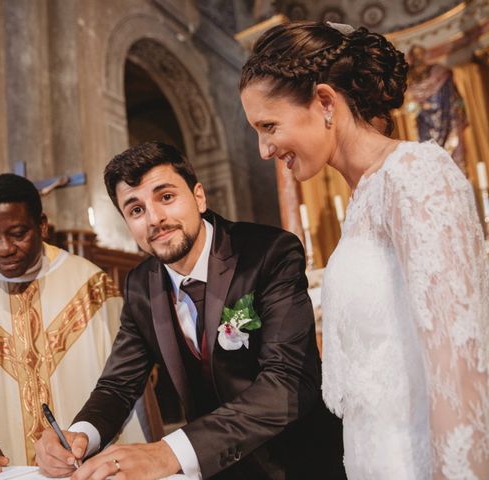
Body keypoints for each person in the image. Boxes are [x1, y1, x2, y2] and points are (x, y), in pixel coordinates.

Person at [239, 21, 489, 479]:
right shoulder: (364, 200)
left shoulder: (414, 176)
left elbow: (462, 369)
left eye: (268, 126)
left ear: (325, 102)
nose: (263, 149)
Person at [35, 142, 345, 480]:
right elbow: (118, 385)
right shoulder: (141, 284)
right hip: (216, 471)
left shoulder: (268, 253)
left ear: (198, 196)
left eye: (166, 197)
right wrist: (81, 435)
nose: (155, 219)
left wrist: (168, 452)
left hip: (299, 464)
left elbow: (287, 382)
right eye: (136, 210)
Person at [0, 173, 146, 477]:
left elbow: (126, 377)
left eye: (18, 233)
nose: (4, 248)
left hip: (85, 466)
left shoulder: (91, 288)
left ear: (42, 225)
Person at [404, 44, 467, 173]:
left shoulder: (439, 71)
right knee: (428, 156)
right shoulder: (408, 78)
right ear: (410, 57)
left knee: (452, 150)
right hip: (424, 121)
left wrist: (460, 110)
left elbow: (454, 98)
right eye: (414, 55)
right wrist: (419, 106)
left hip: (445, 117)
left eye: (420, 54)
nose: (418, 58)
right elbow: (408, 106)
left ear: (425, 55)